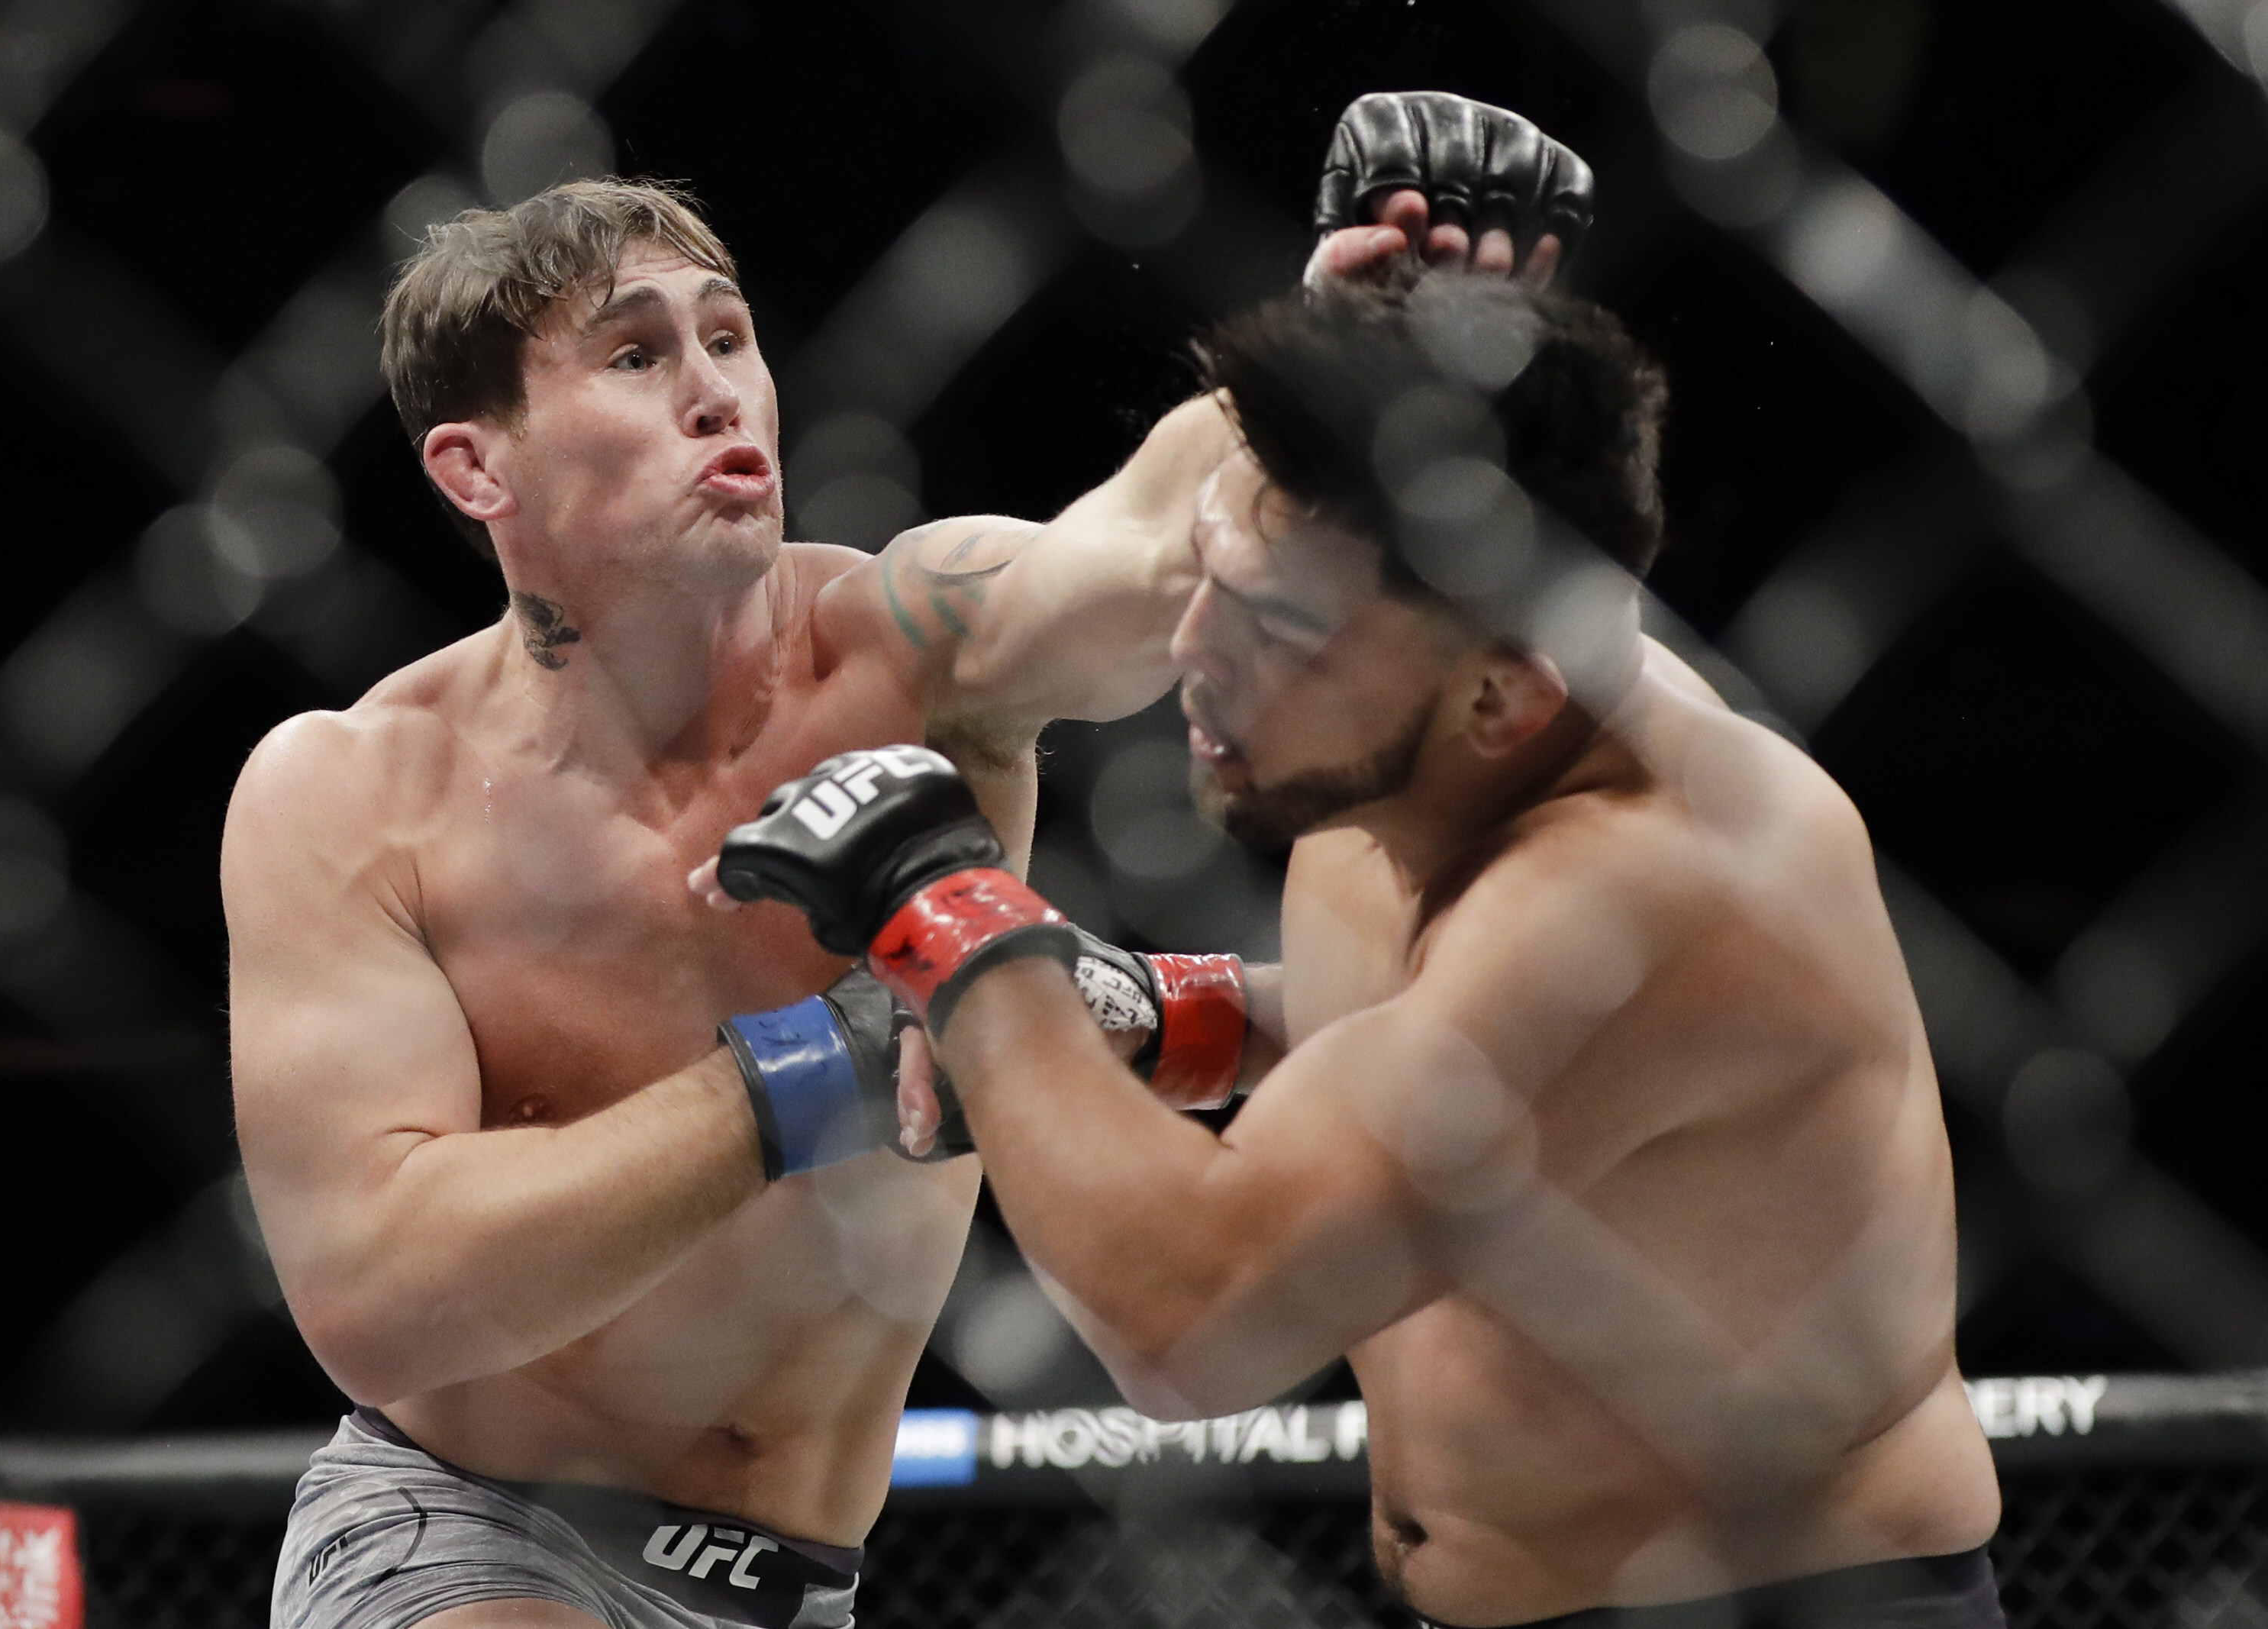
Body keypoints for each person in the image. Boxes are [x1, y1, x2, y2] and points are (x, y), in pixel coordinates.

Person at [228, 96, 1586, 1629]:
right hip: (474, 1533)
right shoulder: (351, 790)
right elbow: (382, 1295)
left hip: (806, 1584)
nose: (713, 392)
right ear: (479, 470)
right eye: (635, 353)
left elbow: (1145, 553)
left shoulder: (914, 642)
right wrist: (818, 1066)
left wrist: (1353, 345)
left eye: (730, 337)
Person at [711, 260, 2005, 1624]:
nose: (1198, 650)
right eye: (1213, 573)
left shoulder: (1654, 886)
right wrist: (1161, 1016)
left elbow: (1196, 1321)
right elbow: (1423, 1048)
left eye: (1278, 626)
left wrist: (955, 917)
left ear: (1502, 694)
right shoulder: (1397, 774)